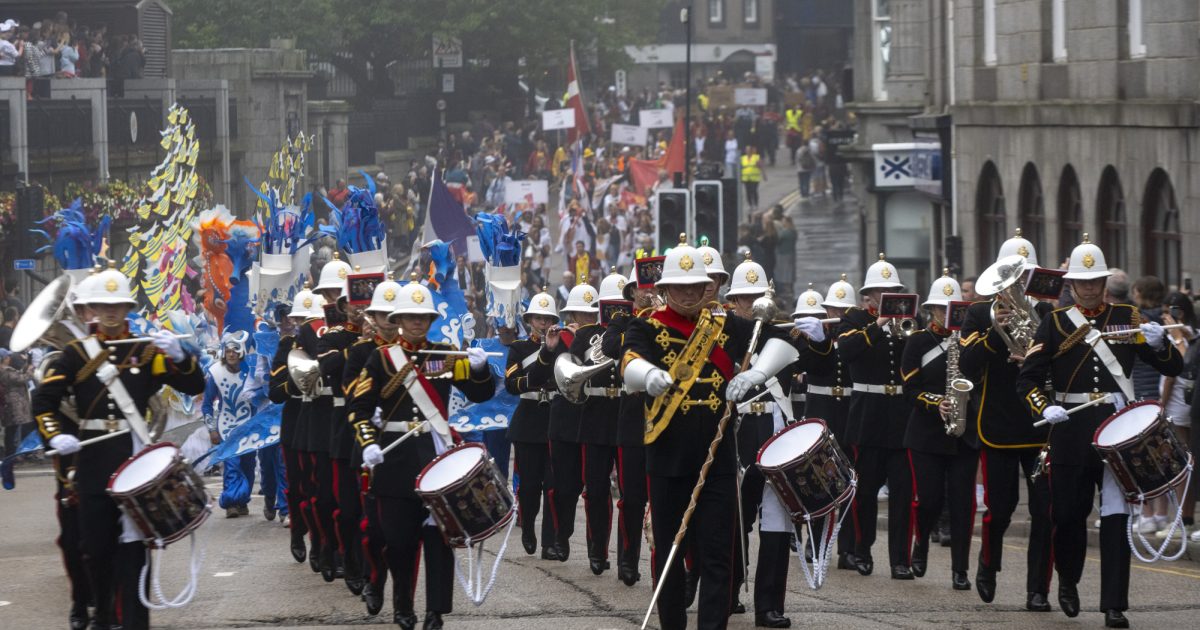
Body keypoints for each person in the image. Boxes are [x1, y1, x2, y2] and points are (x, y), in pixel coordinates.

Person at [622, 236, 797, 630]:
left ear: (707, 288)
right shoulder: (647, 326)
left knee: (719, 550)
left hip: (715, 455)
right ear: (665, 289)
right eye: (679, 287)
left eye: (695, 287)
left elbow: (780, 343)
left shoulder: (725, 324)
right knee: (669, 550)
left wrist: (754, 373)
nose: (687, 294)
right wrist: (648, 375)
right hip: (666, 454)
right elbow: (628, 360)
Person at [1017, 235, 1182, 629]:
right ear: (1071, 285)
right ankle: (1068, 582)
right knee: (1070, 516)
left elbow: (1171, 368)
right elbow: (1027, 381)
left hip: (1116, 430)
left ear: (1105, 282)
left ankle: (1114, 605)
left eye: (1096, 281)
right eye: (1083, 282)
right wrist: (1046, 406)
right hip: (1071, 429)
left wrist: (1160, 344)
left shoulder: (1128, 317)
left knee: (1115, 517)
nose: (1090, 288)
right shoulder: (1054, 324)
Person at [32, 265, 205, 630]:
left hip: (133, 462)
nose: (111, 312)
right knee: (96, 551)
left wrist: (181, 357)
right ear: (92, 308)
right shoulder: (77, 354)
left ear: (127, 309)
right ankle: (104, 616)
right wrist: (54, 436)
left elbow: (192, 385)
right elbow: (44, 402)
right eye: (103, 305)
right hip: (93, 465)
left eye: (118, 306)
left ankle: (135, 624)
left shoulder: (144, 351)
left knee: (133, 555)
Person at [350, 280, 495, 630]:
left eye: (423, 318)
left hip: (435, 458)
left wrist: (479, 370)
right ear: (399, 319)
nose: (417, 323)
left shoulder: (443, 355)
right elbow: (359, 407)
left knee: (439, 540)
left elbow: (480, 393)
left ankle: (436, 611)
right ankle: (403, 607)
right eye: (411, 317)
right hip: (395, 462)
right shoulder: (381, 358)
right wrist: (368, 442)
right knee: (399, 542)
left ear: (430, 320)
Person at [958, 231, 1053, 611]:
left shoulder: (1047, 313)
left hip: (1040, 420)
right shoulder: (979, 313)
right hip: (997, 420)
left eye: (1024, 275)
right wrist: (997, 333)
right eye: (1013, 275)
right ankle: (988, 564)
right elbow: (966, 365)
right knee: (1001, 507)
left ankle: (1038, 590)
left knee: (1044, 511)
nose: (1018, 283)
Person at [837, 253, 916, 579]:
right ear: (868, 295)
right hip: (868, 415)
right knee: (865, 492)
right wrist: (879, 324)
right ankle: (861, 550)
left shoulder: (911, 319)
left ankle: (900, 558)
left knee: (902, 493)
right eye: (882, 293)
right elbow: (847, 350)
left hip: (901, 416)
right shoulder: (855, 319)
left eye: (893, 291)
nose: (888, 298)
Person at [900, 272, 979, 591]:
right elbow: (910, 387)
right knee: (929, 499)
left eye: (954, 309)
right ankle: (921, 544)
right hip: (926, 434)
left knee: (962, 503)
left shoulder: (971, 340)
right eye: (940, 309)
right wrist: (936, 403)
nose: (947, 315)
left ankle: (960, 569)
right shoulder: (918, 341)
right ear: (931, 311)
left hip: (966, 434)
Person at [344, 276, 405, 615]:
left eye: (398, 315)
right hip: (371, 446)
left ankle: (402, 596)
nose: (393, 323)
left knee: (405, 531)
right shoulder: (361, 352)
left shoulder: (418, 349)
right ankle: (374, 579)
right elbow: (352, 394)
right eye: (386, 316)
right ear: (374, 317)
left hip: (407, 449)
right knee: (374, 525)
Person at [573, 271, 626, 576]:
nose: (617, 312)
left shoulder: (637, 329)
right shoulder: (586, 335)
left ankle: (627, 556)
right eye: (611, 306)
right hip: (594, 414)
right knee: (595, 489)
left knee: (631, 493)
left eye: (622, 305)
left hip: (625, 411)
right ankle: (598, 549)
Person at [504, 290, 563, 560]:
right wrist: (543, 358)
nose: (542, 323)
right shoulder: (518, 348)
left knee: (554, 486)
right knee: (529, 487)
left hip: (555, 418)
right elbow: (511, 384)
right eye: (538, 318)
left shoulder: (563, 346)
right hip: (528, 420)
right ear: (530, 321)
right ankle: (528, 525)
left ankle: (549, 542)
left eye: (547, 318)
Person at [544, 284, 600, 562]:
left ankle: (595, 546)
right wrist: (550, 348)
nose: (586, 321)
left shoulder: (602, 339)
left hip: (592, 418)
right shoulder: (560, 338)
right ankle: (560, 536)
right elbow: (544, 373)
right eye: (580, 314)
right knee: (564, 486)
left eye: (591, 316)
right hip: (564, 419)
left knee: (594, 486)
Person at [202, 331, 269, 518]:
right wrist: (212, 429)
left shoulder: (251, 371)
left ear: (241, 352)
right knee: (231, 464)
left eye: (235, 350)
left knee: (247, 464)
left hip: (248, 425)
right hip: (225, 426)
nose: (231, 354)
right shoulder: (215, 372)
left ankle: (242, 500)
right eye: (228, 350)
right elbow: (207, 404)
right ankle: (231, 501)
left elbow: (260, 398)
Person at [740, 145, 764, 213]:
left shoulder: (756, 157)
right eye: (746, 150)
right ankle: (750, 205)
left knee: (754, 191)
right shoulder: (743, 158)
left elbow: (761, 166)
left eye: (748, 150)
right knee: (748, 192)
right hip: (746, 178)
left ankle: (756, 204)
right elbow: (740, 168)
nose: (747, 151)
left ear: (751, 151)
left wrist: (764, 175)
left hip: (754, 178)